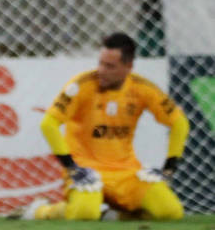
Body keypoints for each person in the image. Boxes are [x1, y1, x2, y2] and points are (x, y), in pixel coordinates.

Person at [23, 32, 189, 221]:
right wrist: (71, 167)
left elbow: (179, 123)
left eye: (110, 66)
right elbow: (48, 124)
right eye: (100, 63)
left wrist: (169, 168)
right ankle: (41, 211)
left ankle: (113, 215)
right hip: (86, 170)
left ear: (128, 67)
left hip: (127, 173)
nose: (101, 70)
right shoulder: (81, 85)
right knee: (84, 214)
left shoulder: (143, 88)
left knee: (170, 213)